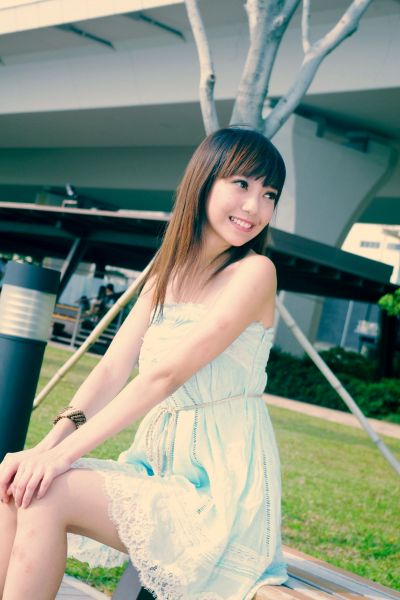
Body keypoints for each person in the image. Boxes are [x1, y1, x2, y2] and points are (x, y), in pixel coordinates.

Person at [0, 126, 288, 600]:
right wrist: (46, 447)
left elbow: (164, 376)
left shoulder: (255, 272)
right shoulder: (166, 273)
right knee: (18, 484)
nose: (254, 206)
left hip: (220, 494)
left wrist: (61, 459)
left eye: (269, 193)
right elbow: (111, 370)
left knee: (47, 492)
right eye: (241, 184)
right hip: (159, 472)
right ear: (204, 181)